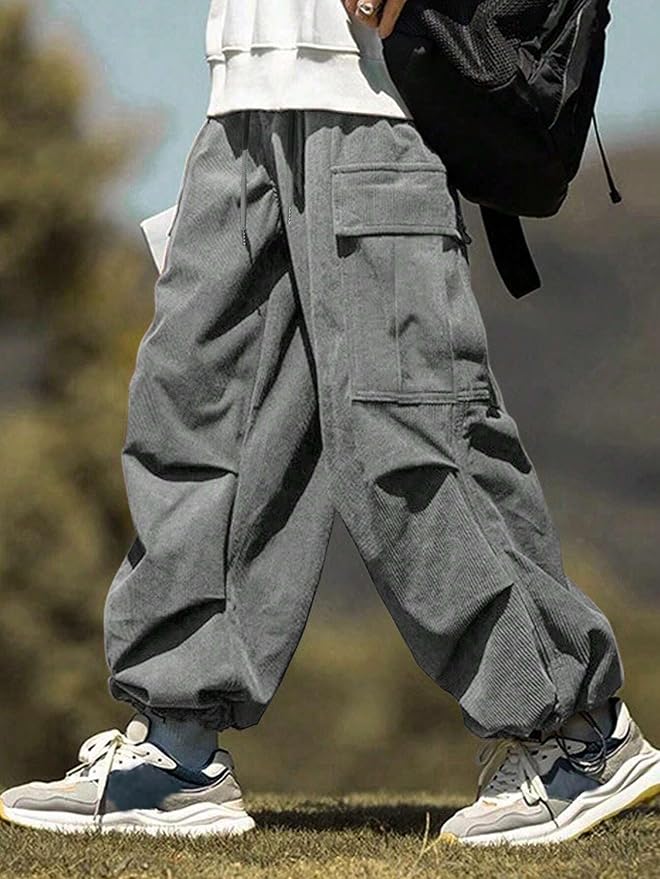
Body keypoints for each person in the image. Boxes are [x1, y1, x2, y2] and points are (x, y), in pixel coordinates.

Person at [2, 0, 658, 845]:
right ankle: (176, 751)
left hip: (375, 99)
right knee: (197, 417)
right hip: (242, 91)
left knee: (409, 432)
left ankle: (576, 733)